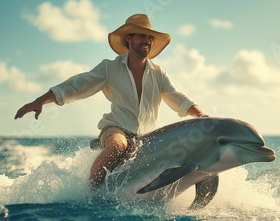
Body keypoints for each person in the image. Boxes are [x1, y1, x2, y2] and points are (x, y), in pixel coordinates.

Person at [14, 14, 209, 188]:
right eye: (142, 35)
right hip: (116, 128)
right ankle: (90, 193)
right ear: (129, 38)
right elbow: (76, 85)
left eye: (150, 37)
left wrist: (199, 115)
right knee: (118, 145)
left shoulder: (159, 73)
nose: (147, 40)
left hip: (147, 137)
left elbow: (177, 97)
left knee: (180, 151)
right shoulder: (109, 68)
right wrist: (40, 100)